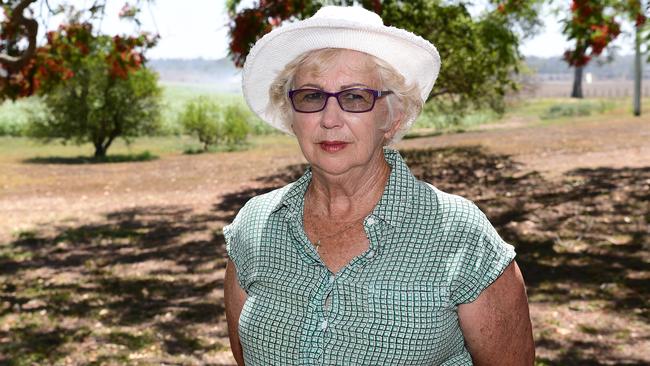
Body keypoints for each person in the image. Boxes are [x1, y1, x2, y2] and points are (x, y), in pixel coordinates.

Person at [223, 5, 534, 365]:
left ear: (393, 116)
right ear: (291, 115)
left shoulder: (460, 234)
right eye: (311, 96)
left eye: (355, 97)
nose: (329, 119)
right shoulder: (254, 227)